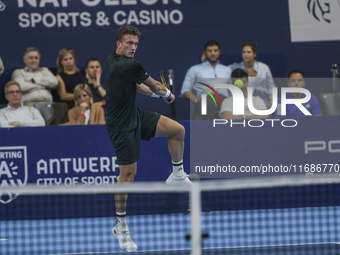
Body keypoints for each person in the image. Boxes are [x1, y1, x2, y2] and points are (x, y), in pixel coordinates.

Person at [105, 25, 191, 252]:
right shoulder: (129, 64)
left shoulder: (113, 61)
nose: (133, 47)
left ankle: (177, 174)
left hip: (135, 116)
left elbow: (139, 86)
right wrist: (168, 95)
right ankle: (120, 227)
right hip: (121, 126)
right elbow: (154, 85)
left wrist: (157, 95)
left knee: (178, 130)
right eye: (129, 43)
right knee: (128, 175)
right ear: (119, 44)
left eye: (135, 44)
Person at [180, 40, 232, 119]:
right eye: (210, 51)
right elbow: (185, 91)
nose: (213, 53)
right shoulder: (195, 69)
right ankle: (212, 129)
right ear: (205, 52)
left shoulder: (227, 70)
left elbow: (232, 90)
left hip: (224, 100)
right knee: (207, 102)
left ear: (219, 52)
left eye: (215, 50)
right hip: (205, 100)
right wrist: (196, 99)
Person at [228, 42, 275, 109]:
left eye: (248, 52)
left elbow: (271, 87)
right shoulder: (234, 68)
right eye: (244, 52)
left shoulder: (264, 67)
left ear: (254, 54)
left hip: (263, 102)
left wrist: (271, 102)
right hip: (243, 103)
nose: (246, 54)